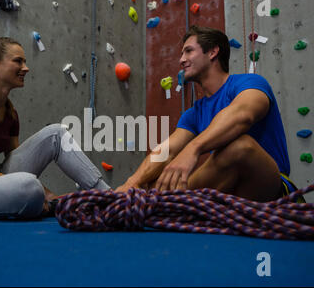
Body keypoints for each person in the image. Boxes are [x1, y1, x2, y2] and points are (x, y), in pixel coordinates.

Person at [117, 25, 302, 203]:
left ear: (213, 52)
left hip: (269, 186)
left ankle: (165, 205)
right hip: (230, 193)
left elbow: (243, 115)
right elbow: (166, 151)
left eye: (188, 51)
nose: (181, 60)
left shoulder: (249, 83)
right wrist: (132, 183)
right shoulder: (194, 113)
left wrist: (193, 149)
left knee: (240, 147)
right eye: (182, 53)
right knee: (152, 183)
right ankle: (156, 204)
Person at [0, 37, 110, 219]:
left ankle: (108, 196)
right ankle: (41, 202)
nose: (26, 68)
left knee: (56, 133)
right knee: (30, 188)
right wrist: (39, 190)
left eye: (25, 62)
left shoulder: (11, 113)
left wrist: (49, 194)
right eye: (18, 61)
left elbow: (20, 169)